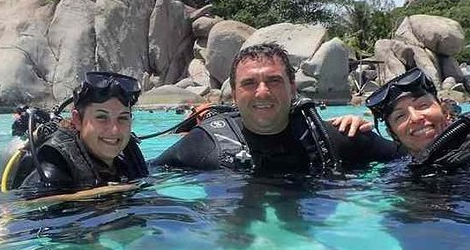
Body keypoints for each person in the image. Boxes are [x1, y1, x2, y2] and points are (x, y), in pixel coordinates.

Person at [153, 43, 400, 175]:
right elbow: (143, 177)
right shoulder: (206, 143)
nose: (262, 92)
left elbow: (412, 162)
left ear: (292, 88)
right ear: (234, 95)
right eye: (249, 83)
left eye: (274, 81)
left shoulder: (334, 139)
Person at [366, 66, 470, 180]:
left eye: (422, 106)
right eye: (400, 116)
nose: (415, 118)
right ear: (393, 134)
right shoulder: (399, 167)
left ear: (445, 111)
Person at [17, 71, 148, 193]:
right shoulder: (54, 166)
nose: (114, 130)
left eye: (123, 118)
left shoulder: (126, 156)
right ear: (77, 120)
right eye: (101, 117)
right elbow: (24, 206)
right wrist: (103, 191)